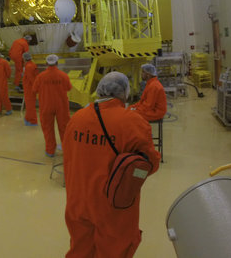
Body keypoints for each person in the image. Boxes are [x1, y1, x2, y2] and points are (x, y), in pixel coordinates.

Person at [64, 71, 161, 257]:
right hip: (112, 203)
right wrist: (136, 177)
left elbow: (70, 157)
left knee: (80, 247)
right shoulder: (133, 122)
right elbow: (150, 165)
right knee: (114, 250)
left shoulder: (77, 118)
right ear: (124, 93)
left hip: (78, 199)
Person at [33, 54, 71, 156]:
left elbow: (35, 89)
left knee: (48, 128)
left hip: (46, 105)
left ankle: (50, 151)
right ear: (57, 63)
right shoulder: (63, 75)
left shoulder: (40, 77)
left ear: (46, 63)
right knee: (64, 127)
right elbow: (68, 88)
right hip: (61, 105)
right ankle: (67, 149)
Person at [22, 52, 39, 126]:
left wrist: (35, 88)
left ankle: (33, 121)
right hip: (29, 88)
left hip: (30, 89)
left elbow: (32, 79)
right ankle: (27, 118)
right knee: (29, 105)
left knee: (30, 106)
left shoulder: (28, 66)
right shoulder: (32, 65)